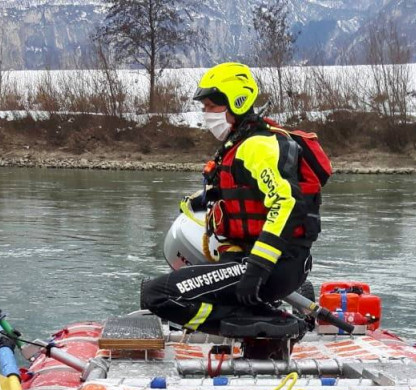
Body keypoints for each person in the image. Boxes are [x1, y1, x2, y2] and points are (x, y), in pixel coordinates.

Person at [140, 62, 330, 333]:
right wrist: (201, 200)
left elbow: (286, 203)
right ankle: (252, 316)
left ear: (236, 103)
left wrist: (258, 267)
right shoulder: (240, 143)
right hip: (255, 262)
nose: (206, 114)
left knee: (156, 295)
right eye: (204, 107)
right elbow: (240, 194)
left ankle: (267, 322)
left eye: (211, 106)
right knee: (176, 287)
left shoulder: (257, 146)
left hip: (270, 267)